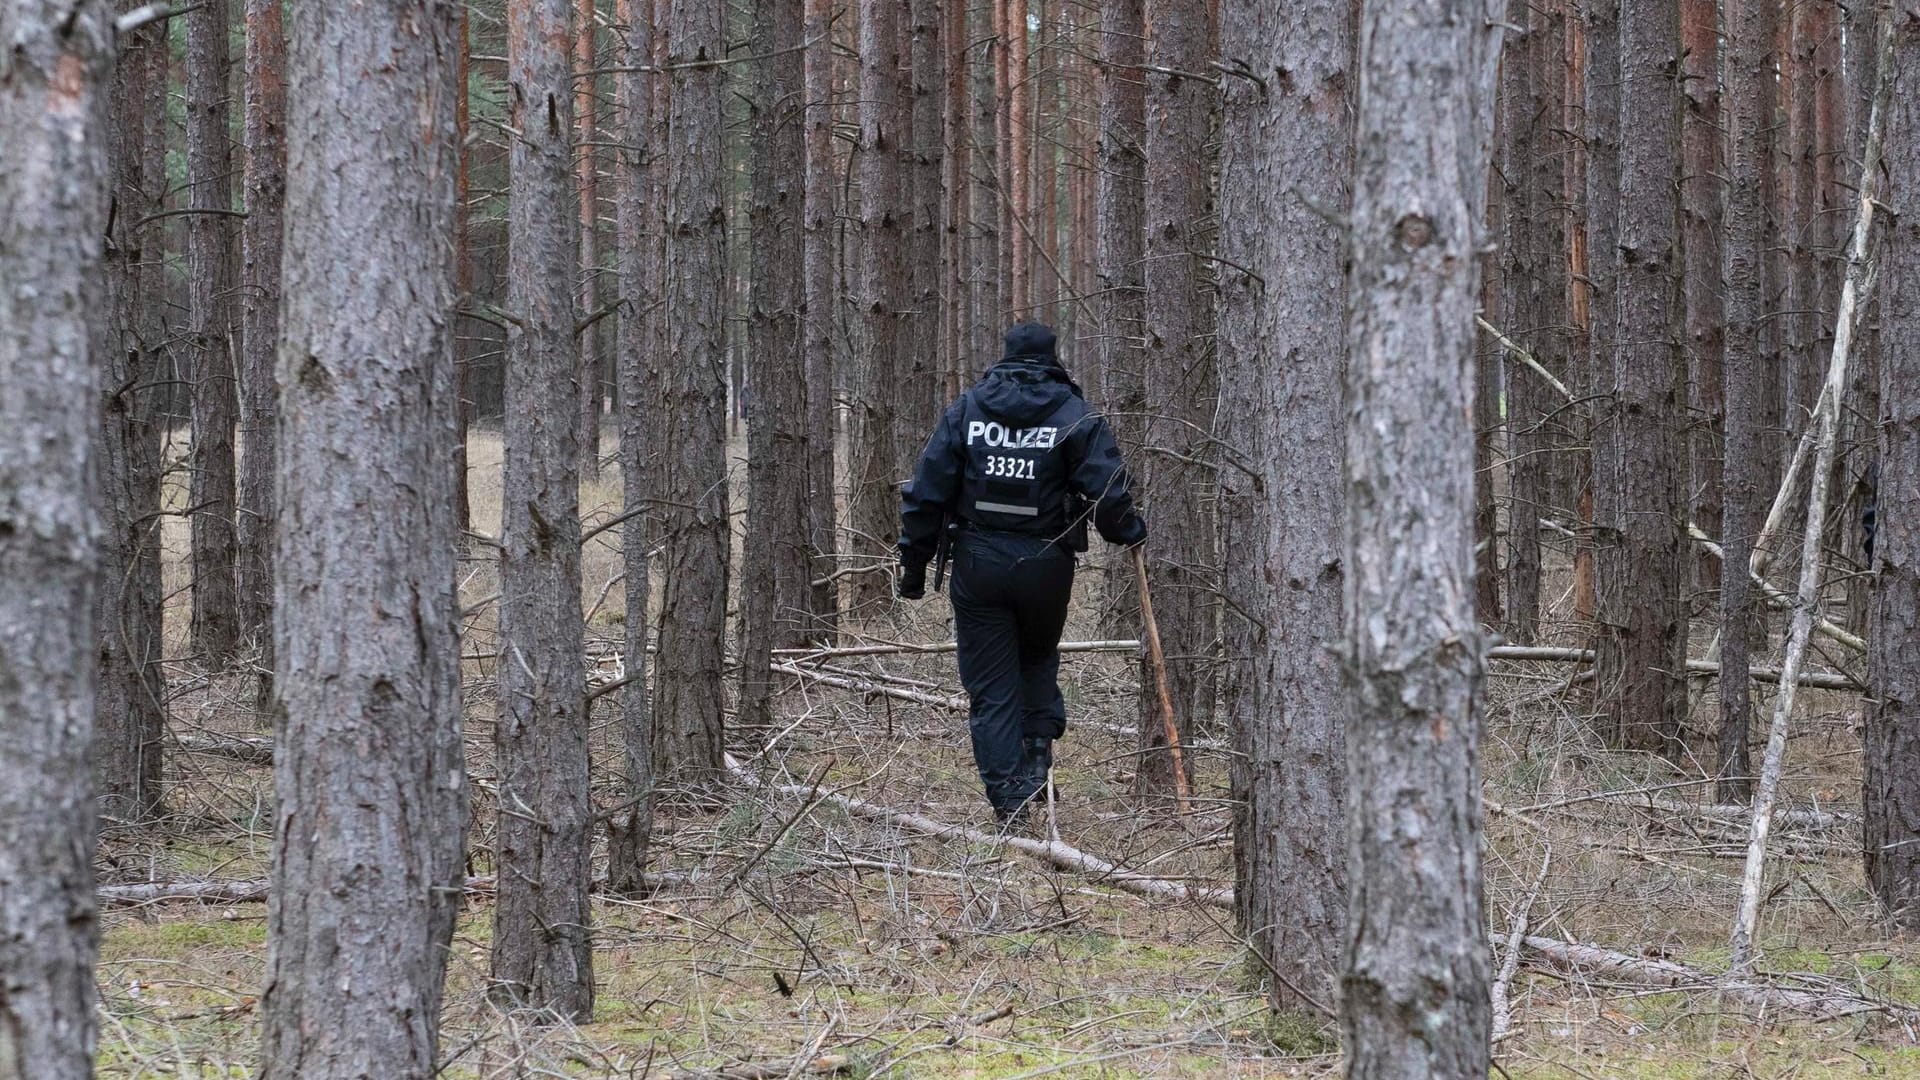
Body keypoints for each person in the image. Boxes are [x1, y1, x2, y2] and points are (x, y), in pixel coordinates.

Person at [896, 322, 1147, 830]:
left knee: (991, 685)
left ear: (1005, 357)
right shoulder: (1073, 414)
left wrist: (914, 566)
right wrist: (1128, 531)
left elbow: (927, 491)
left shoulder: (967, 410)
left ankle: (1010, 799)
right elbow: (1107, 488)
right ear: (1052, 359)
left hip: (979, 563)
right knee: (1036, 658)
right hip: (1045, 565)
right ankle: (1034, 758)